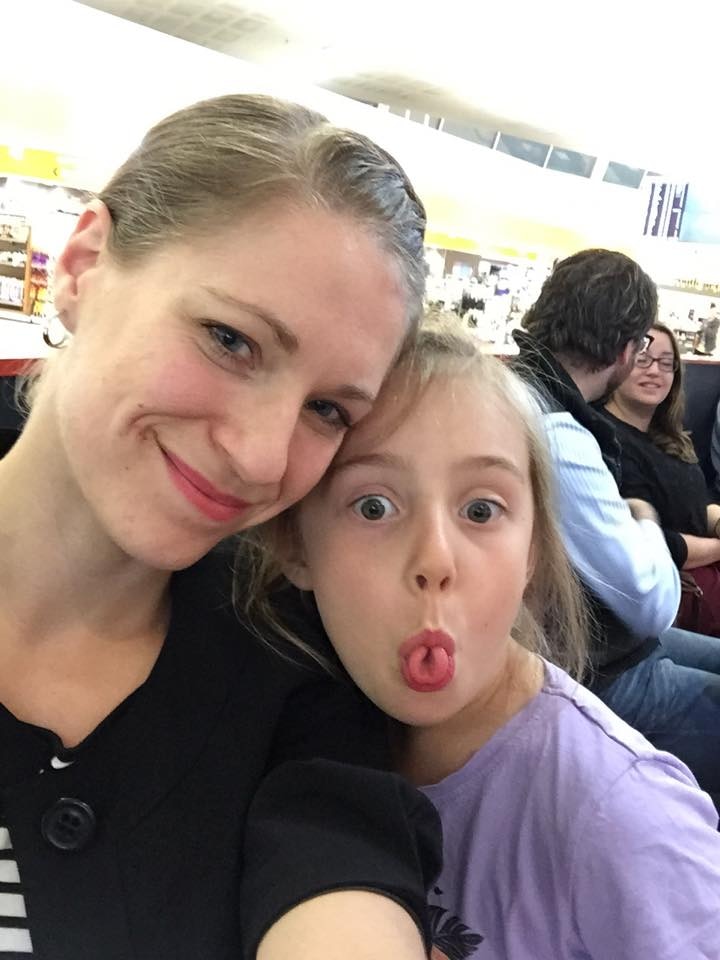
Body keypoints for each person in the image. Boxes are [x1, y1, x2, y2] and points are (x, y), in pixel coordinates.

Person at [0, 94, 444, 960]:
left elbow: (340, 880)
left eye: (326, 409)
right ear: (84, 264)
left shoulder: (299, 681)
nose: (262, 458)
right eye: (231, 341)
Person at [239, 324, 720, 959]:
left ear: (533, 554)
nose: (436, 559)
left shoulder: (624, 816)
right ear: (296, 546)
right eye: (374, 506)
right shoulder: (285, 739)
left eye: (482, 510)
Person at [511, 248, 720, 809]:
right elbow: (650, 599)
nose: (652, 370)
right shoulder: (559, 433)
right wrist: (647, 524)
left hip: (593, 638)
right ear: (626, 352)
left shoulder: (524, 393)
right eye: (644, 357)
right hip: (591, 664)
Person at [603, 321, 720, 636]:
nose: (655, 371)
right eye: (643, 359)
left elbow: (699, 501)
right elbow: (655, 543)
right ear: (618, 364)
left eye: (666, 363)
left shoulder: (670, 436)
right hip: (674, 590)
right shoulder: (606, 439)